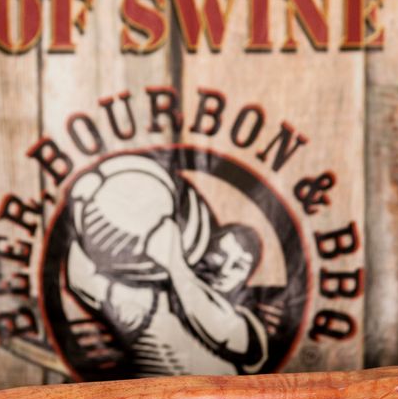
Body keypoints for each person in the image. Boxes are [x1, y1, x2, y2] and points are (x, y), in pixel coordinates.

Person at [64, 155, 269, 377]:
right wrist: (86, 214)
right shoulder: (149, 301)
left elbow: (223, 333)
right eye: (219, 255)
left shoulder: (247, 326)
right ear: (204, 251)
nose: (224, 269)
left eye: (239, 265)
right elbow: (81, 280)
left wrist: (174, 261)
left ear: (249, 274)